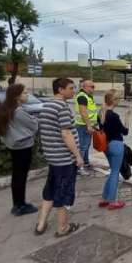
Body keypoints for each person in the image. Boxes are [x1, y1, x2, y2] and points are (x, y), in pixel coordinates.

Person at [35, 78, 82, 237]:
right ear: (60, 90)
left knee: (50, 190)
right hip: (64, 159)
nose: (73, 91)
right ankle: (63, 228)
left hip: (53, 157)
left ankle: (41, 224)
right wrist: (78, 156)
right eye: (70, 88)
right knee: (64, 192)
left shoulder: (47, 105)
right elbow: (66, 133)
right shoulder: (62, 107)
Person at [0, 83, 39, 216]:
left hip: (13, 145)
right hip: (23, 146)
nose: (27, 95)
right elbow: (34, 125)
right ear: (17, 97)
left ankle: (17, 204)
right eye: (25, 93)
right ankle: (21, 205)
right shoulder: (18, 111)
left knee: (17, 176)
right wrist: (35, 120)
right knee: (21, 176)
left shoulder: (6, 109)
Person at [98, 89, 131, 210]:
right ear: (114, 100)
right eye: (119, 98)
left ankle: (104, 198)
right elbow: (125, 132)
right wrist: (127, 116)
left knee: (113, 171)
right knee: (115, 172)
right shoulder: (114, 116)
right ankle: (113, 201)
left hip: (106, 146)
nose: (120, 100)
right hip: (116, 145)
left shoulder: (101, 113)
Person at [74, 79, 97, 176]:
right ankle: (79, 168)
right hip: (83, 125)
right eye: (91, 86)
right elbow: (83, 112)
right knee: (83, 146)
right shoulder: (82, 97)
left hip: (87, 125)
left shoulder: (88, 96)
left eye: (93, 86)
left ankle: (86, 163)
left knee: (86, 145)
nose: (93, 88)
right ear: (84, 87)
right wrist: (88, 125)